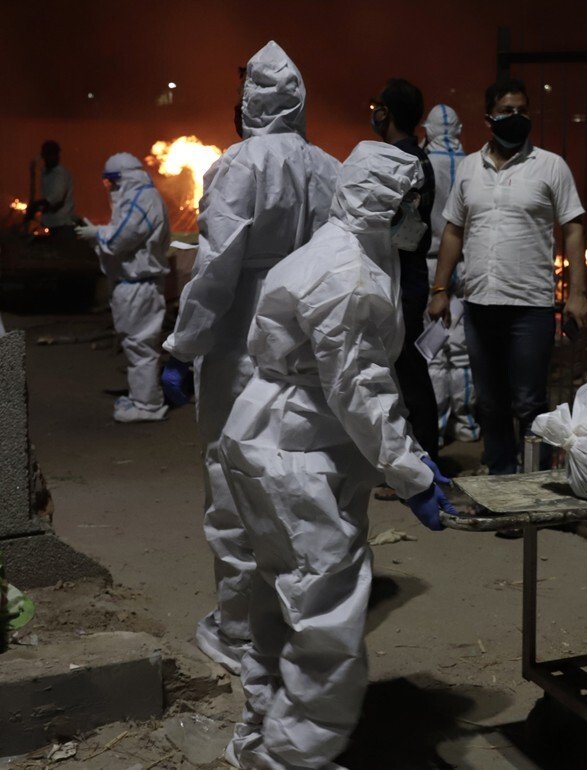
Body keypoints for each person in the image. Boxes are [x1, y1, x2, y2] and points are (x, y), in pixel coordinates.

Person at [219, 141, 453, 769]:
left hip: (273, 439)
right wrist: (411, 472)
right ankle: (293, 759)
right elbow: (359, 387)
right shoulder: (347, 276)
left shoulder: (331, 253)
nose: (420, 217)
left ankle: (261, 737)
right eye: (414, 204)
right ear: (385, 204)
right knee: (326, 619)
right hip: (300, 454)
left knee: (277, 601)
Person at [161, 41, 340, 674]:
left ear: (246, 104)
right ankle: (293, 618)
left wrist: (184, 345)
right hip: (307, 341)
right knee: (297, 481)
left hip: (243, 340)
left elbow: (216, 267)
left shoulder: (238, 165)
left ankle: (240, 631)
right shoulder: (330, 167)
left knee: (232, 481)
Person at [428, 77, 587, 477]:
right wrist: (440, 290)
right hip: (480, 304)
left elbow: (573, 227)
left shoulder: (550, 166)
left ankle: (537, 482)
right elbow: (453, 230)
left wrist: (577, 294)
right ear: (489, 118)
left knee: (528, 402)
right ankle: (501, 481)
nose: (515, 118)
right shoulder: (469, 168)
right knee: (490, 403)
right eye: (507, 111)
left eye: (522, 111)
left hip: (530, 306)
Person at [370, 79, 438, 498]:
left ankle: (421, 465)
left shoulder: (403, 161)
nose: (374, 113)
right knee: (400, 374)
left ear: (387, 113)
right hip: (401, 276)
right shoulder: (411, 157)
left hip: (402, 278)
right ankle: (405, 461)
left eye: (378, 107)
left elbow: (396, 227)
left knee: (408, 375)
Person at [74, 153, 169, 423]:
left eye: (112, 182)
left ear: (125, 178)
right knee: (136, 344)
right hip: (134, 284)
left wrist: (97, 234)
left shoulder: (142, 200)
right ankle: (141, 396)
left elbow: (119, 240)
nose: (111, 189)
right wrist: (99, 234)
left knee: (140, 346)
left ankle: (148, 405)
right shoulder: (139, 199)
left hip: (139, 286)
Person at [422, 103, 479, 448]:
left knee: (433, 351)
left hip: (431, 266)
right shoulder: (473, 165)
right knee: (462, 352)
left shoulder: (422, 164)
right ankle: (468, 426)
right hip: (467, 265)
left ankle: (437, 427)